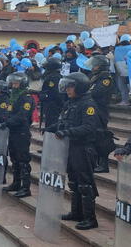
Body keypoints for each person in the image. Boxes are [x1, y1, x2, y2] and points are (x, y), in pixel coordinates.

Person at [46, 72, 101, 230]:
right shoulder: (70, 103)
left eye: (71, 87)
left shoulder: (88, 104)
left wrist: (67, 133)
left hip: (83, 148)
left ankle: (90, 218)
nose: (68, 90)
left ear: (80, 87)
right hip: (70, 147)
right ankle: (76, 212)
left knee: (85, 184)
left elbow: (89, 127)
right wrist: (53, 128)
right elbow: (63, 121)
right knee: (73, 181)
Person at [0, 72, 35, 198]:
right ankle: (16, 182)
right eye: (12, 82)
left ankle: (25, 187)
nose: (13, 85)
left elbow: (22, 116)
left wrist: (7, 122)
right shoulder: (13, 96)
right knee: (14, 158)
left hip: (21, 132)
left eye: (16, 83)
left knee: (23, 160)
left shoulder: (26, 97)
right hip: (13, 131)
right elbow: (8, 112)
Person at [85, 55, 115, 173]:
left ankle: (104, 164)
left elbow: (96, 92)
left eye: (95, 64)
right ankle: (94, 162)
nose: (93, 67)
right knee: (92, 137)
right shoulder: (94, 76)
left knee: (101, 137)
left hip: (100, 111)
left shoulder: (105, 78)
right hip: (92, 109)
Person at [39, 58, 63, 131]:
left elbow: (54, 93)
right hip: (50, 104)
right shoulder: (52, 76)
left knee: (51, 123)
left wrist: (45, 96)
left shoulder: (54, 77)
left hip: (53, 105)